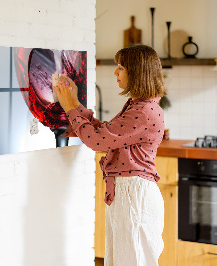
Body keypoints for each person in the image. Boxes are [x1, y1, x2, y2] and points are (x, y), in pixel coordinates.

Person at [54, 44, 166, 266]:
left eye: (121, 67)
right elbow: (104, 132)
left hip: (134, 195)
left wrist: (69, 108)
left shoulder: (143, 111)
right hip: (129, 193)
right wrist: (75, 103)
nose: (115, 72)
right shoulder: (139, 106)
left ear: (137, 72)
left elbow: (97, 141)